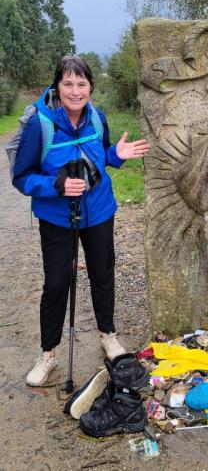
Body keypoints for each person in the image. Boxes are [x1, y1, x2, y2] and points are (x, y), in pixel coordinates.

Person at [12, 55, 150, 387]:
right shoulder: (39, 125)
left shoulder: (97, 118)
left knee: (103, 273)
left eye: (82, 83)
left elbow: (100, 157)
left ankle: (108, 335)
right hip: (57, 217)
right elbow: (21, 176)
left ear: (90, 87)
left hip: (99, 211)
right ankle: (48, 354)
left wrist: (117, 155)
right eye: (68, 84)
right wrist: (55, 186)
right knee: (57, 282)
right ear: (57, 87)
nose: (76, 91)